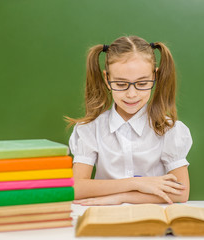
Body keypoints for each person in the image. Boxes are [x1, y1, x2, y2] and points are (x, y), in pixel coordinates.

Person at [66, 36, 192, 205]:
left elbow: (180, 193)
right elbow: (76, 188)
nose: (131, 94)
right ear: (107, 80)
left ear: (155, 76)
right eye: (120, 84)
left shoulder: (169, 129)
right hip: (105, 220)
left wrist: (122, 197)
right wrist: (136, 183)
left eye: (142, 83)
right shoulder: (90, 129)